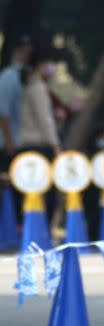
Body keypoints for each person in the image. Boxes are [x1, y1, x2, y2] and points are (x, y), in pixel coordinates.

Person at [18, 48, 62, 226]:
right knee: (44, 192)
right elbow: (45, 120)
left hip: (27, 144)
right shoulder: (37, 87)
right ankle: (41, 228)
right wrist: (55, 144)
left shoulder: (28, 85)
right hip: (39, 145)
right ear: (41, 65)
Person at [0, 35, 34, 222]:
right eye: (23, 52)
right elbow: (3, 112)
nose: (26, 56)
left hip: (18, 140)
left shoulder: (24, 76)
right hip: (7, 143)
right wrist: (9, 140)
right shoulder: (8, 77)